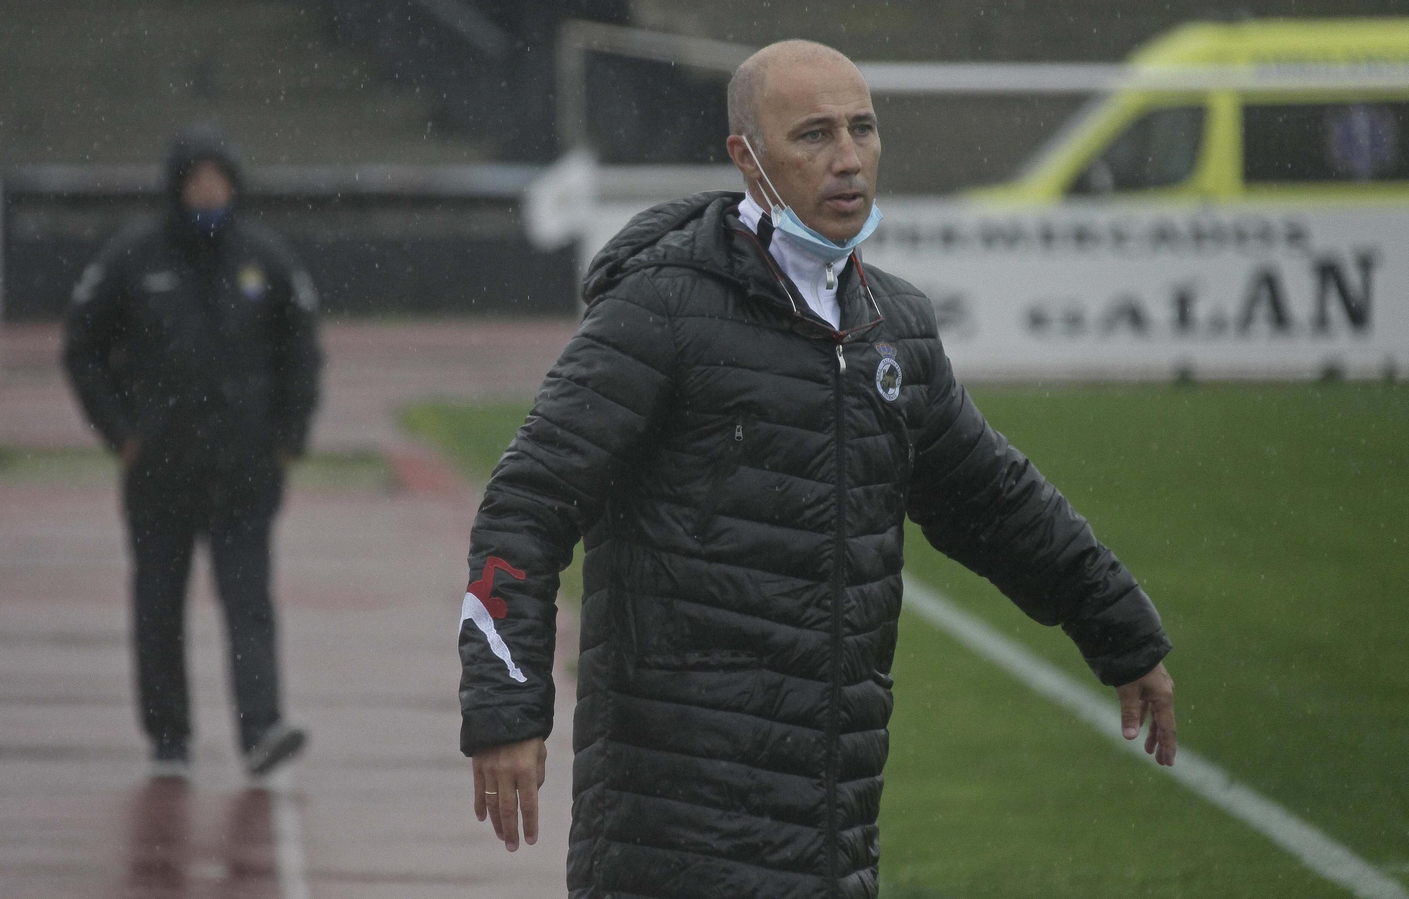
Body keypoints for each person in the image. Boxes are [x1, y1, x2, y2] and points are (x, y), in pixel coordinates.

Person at [456, 40, 1177, 898]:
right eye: (813, 135)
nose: (848, 158)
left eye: (862, 129)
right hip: (671, 832)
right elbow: (526, 505)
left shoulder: (893, 326)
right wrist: (506, 710)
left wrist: (1120, 628)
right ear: (747, 160)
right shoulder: (660, 308)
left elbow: (994, 500)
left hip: (831, 835)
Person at [63, 124, 322, 779]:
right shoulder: (132, 257)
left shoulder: (265, 256)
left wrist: (290, 437)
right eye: (196, 179)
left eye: (219, 179)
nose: (209, 191)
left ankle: (261, 729)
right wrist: (121, 432)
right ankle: (169, 737)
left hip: (244, 469)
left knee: (248, 601)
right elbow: (81, 348)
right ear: (177, 186)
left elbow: (302, 351)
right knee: (157, 603)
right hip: (159, 470)